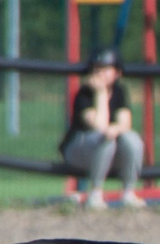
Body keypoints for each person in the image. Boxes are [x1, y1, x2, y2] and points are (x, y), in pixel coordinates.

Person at [63, 49, 146, 208]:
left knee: (132, 139)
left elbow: (125, 124)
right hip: (79, 151)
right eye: (96, 68)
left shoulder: (119, 91)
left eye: (106, 68)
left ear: (117, 73)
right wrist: (100, 94)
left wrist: (116, 129)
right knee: (106, 139)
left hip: (108, 152)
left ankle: (128, 193)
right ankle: (95, 194)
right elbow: (99, 126)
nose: (99, 72)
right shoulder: (84, 94)